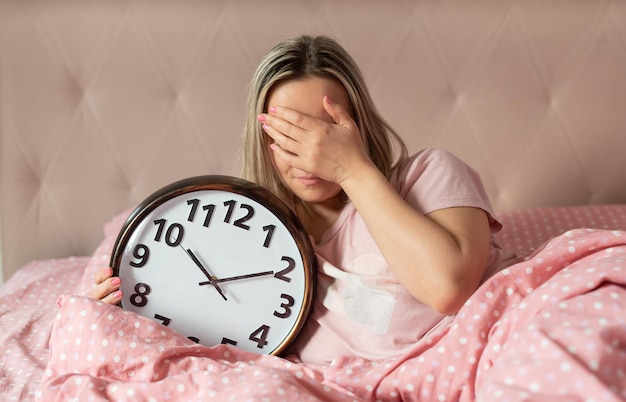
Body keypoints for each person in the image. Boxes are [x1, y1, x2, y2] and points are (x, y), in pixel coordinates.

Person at [89, 35, 516, 365]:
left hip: (482, 351)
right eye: (289, 135)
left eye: (324, 132)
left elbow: (449, 289)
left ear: (358, 124)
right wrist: (113, 315)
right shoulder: (246, 233)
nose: (312, 153)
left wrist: (352, 168)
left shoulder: (427, 174)